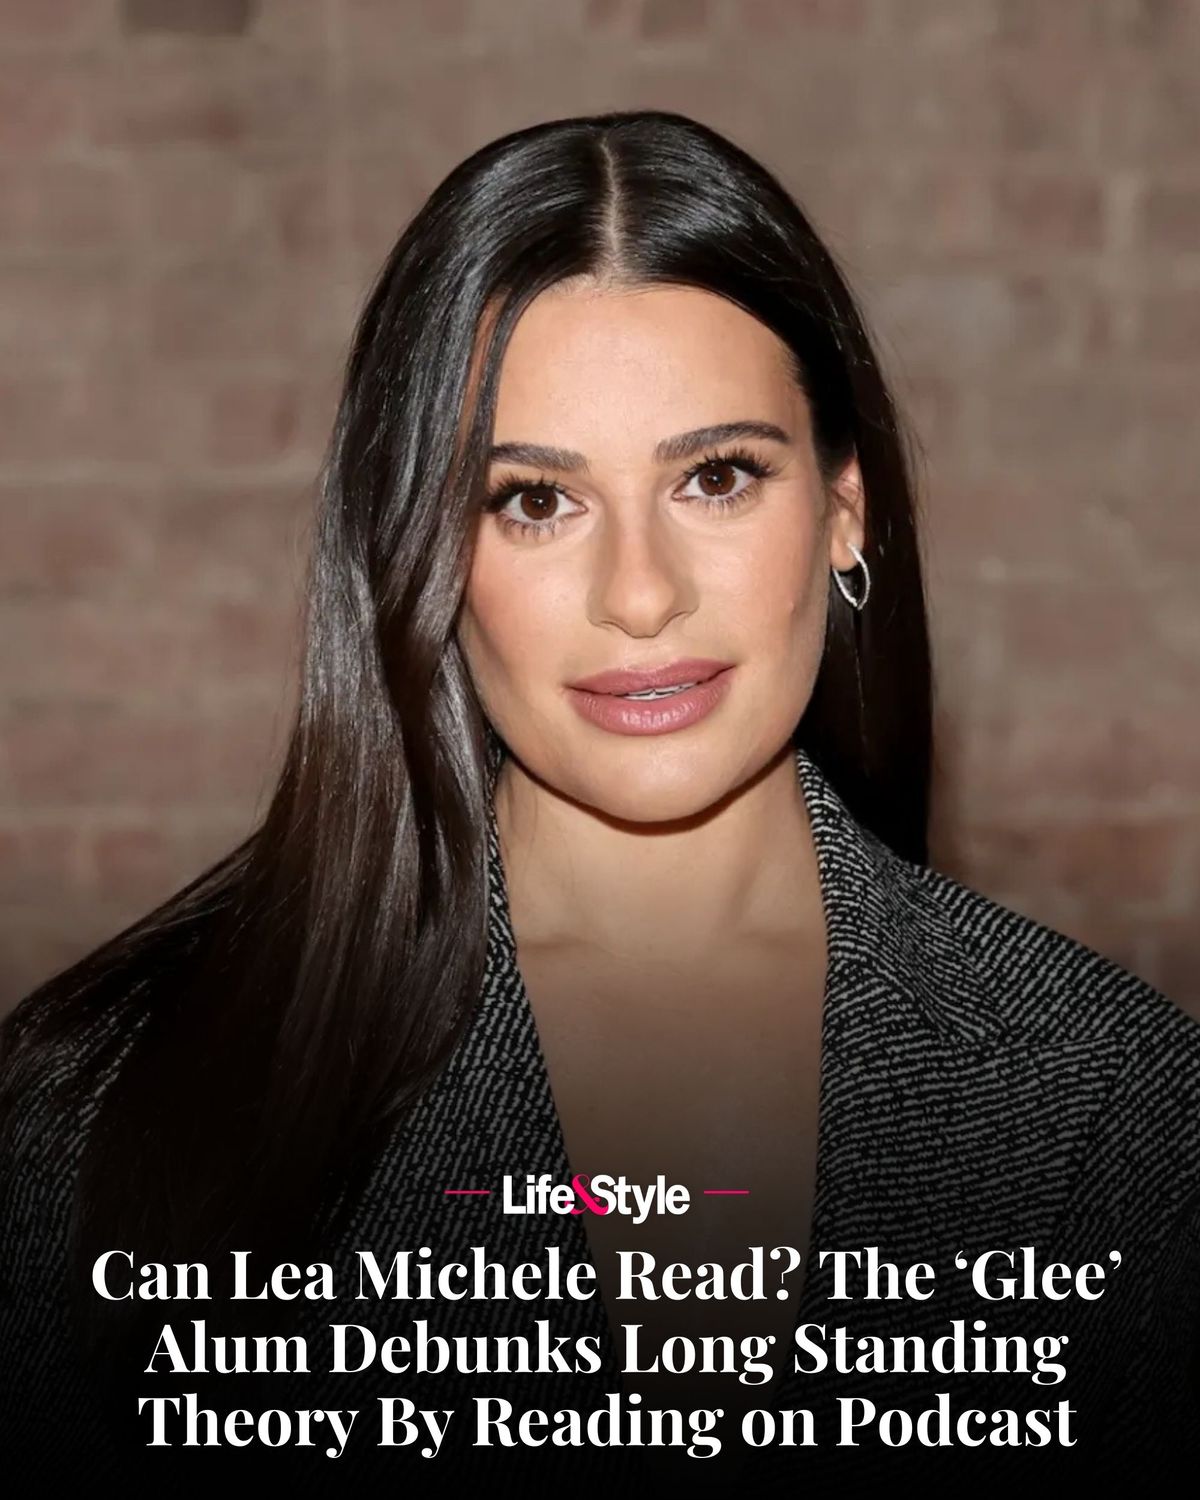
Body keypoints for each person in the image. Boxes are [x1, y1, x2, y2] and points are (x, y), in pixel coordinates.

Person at [1, 109, 1197, 1494]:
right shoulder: (111, 1104)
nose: (640, 594)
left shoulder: (1115, 1107)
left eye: (717, 477)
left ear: (845, 508)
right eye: (534, 502)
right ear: (421, 548)